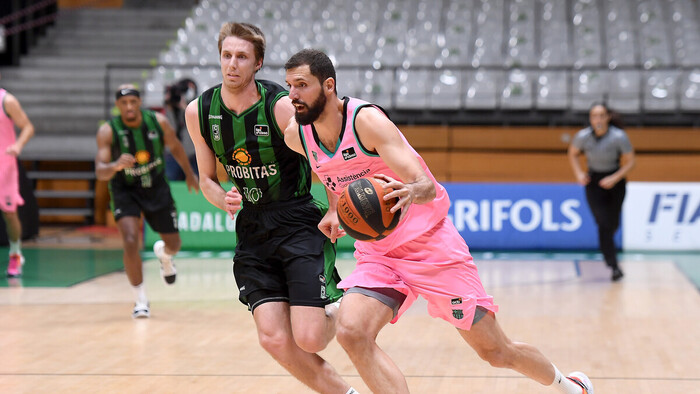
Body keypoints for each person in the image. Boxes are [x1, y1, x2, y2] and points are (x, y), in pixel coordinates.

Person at [283, 49, 594, 394]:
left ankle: (571, 386)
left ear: (328, 86)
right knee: (352, 333)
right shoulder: (297, 135)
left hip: (431, 246)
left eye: (301, 85)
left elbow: (427, 186)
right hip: (380, 254)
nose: (293, 95)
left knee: (495, 351)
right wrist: (334, 208)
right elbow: (333, 175)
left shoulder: (365, 122)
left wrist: (408, 192)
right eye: (289, 86)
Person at [184, 23, 356, 394]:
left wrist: (333, 207)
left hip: (296, 220)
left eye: (242, 57)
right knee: (274, 339)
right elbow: (207, 180)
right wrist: (221, 198)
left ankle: (338, 310)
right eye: (226, 55)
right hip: (252, 229)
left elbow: (319, 158)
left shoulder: (278, 106)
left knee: (309, 339)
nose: (232, 64)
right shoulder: (198, 111)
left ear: (258, 63)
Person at [95, 84, 199, 318]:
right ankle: (140, 299)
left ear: (139, 102)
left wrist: (190, 175)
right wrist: (115, 165)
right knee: (130, 240)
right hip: (125, 189)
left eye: (133, 102)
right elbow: (100, 171)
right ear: (117, 106)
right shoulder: (108, 131)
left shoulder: (158, 122)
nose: (129, 106)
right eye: (124, 103)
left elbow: (176, 147)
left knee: (174, 244)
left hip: (156, 187)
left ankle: (164, 255)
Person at [568, 103, 635, 282]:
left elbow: (630, 161)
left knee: (612, 224)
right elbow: (572, 153)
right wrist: (579, 173)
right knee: (603, 223)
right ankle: (613, 265)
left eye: (601, 115)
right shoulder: (583, 137)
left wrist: (615, 177)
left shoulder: (618, 136)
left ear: (607, 117)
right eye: (594, 116)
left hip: (616, 181)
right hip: (594, 181)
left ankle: (610, 257)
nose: (597, 119)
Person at [0, 85, 34, 278]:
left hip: (4, 164)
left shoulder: (8, 101)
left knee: (9, 214)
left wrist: (18, 145)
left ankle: (15, 253)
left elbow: (28, 127)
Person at [163, 78, 199, 181]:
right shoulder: (169, 109)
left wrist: (186, 109)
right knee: (171, 184)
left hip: (193, 154)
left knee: (199, 185)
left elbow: (195, 127)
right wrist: (170, 108)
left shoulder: (196, 106)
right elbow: (171, 130)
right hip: (172, 154)